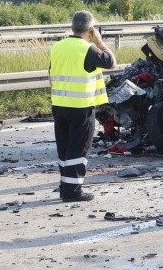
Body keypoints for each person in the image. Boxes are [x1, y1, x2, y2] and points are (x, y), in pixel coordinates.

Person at [49, 11, 116, 202]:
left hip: (59, 104)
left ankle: (66, 187)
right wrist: (99, 41)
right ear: (91, 30)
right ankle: (73, 191)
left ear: (72, 27)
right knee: (78, 149)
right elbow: (111, 62)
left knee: (65, 147)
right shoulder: (88, 49)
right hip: (81, 106)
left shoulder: (57, 47)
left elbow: (50, 76)